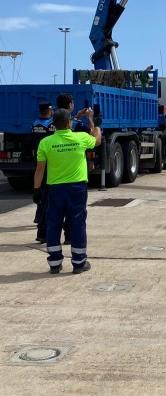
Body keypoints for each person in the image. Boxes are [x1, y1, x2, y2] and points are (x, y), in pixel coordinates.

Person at [33, 108, 101, 274]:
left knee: (53, 223)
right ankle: (79, 263)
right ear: (69, 123)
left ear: (53, 124)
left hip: (54, 189)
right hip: (77, 188)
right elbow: (97, 140)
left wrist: (36, 190)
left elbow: (40, 169)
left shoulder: (46, 142)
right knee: (77, 223)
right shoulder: (81, 138)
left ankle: (55, 263)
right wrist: (94, 122)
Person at [32, 102, 55, 243]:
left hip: (38, 161)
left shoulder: (35, 124)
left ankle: (38, 219)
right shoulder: (50, 125)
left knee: (40, 193)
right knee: (48, 199)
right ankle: (43, 231)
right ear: (49, 110)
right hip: (50, 163)